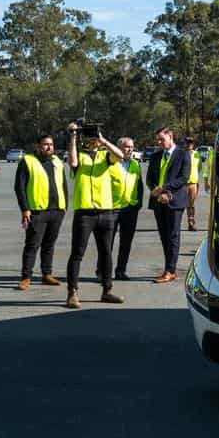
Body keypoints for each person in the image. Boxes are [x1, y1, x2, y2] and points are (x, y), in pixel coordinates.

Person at [65, 121, 127, 308]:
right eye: (90, 136)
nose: (92, 139)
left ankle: (107, 290)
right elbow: (73, 162)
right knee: (77, 253)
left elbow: (121, 155)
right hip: (85, 212)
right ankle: (72, 292)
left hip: (105, 211)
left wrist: (103, 141)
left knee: (106, 252)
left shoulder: (104, 157)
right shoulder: (81, 156)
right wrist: (73, 136)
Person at [13, 135, 67, 291]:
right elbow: (19, 187)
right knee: (32, 245)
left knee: (49, 244)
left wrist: (64, 206)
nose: (49, 147)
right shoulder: (27, 161)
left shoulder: (57, 161)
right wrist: (25, 209)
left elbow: (63, 184)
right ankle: (26, 277)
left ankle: (46, 274)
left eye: (51, 144)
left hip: (56, 210)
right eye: (45, 144)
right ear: (37, 146)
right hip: (37, 211)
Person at [146, 127, 190, 283]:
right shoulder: (156, 156)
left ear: (170, 137)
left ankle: (170, 270)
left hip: (175, 201)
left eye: (161, 139)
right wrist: (155, 190)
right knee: (164, 236)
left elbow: (183, 178)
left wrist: (165, 189)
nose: (158, 142)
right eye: (157, 139)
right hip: (158, 201)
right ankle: (170, 267)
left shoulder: (182, 154)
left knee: (173, 236)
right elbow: (150, 178)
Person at [110, 136, 144, 281]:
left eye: (131, 147)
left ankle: (121, 270)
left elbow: (139, 186)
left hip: (130, 208)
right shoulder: (111, 163)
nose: (129, 149)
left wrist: (138, 204)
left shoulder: (136, 164)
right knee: (107, 243)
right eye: (126, 147)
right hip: (112, 208)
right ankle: (102, 271)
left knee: (126, 242)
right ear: (118, 148)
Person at [184, 137, 200, 231]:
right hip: (183, 184)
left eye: (191, 143)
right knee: (181, 205)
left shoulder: (197, 154)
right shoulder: (181, 154)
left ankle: (191, 223)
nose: (189, 144)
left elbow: (199, 168)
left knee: (191, 205)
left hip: (194, 183)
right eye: (187, 143)